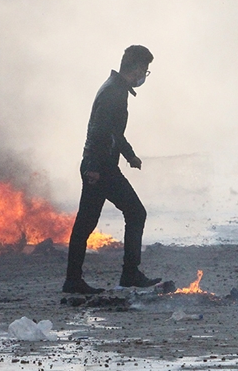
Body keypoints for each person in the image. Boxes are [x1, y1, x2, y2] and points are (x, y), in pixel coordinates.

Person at [63, 45, 163, 294]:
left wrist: (130, 156)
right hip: (101, 167)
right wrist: (96, 168)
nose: (144, 75)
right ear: (137, 68)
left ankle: (73, 280)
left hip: (99, 164)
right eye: (145, 70)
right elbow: (99, 131)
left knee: (86, 223)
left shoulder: (114, 88)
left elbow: (115, 132)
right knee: (136, 213)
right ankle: (129, 274)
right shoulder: (113, 93)